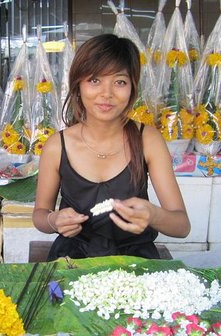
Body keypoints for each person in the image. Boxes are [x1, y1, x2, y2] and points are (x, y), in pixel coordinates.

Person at [32, 34, 190, 261]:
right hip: (73, 261)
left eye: (120, 82)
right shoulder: (57, 146)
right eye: (95, 80)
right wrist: (54, 221)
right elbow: (40, 215)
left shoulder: (148, 140)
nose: (107, 94)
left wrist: (153, 215)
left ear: (132, 88)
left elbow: (182, 225)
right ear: (78, 84)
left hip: (136, 263)